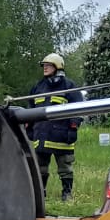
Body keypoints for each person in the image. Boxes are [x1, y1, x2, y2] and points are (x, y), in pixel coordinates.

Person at [29, 53, 82, 202]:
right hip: (41, 136)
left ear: (58, 67)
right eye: (44, 65)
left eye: (48, 65)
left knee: (65, 168)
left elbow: (78, 109)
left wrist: (73, 126)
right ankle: (41, 194)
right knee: (40, 168)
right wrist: (30, 128)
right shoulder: (38, 87)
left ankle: (67, 194)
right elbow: (30, 110)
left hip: (62, 136)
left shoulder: (69, 86)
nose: (45, 68)